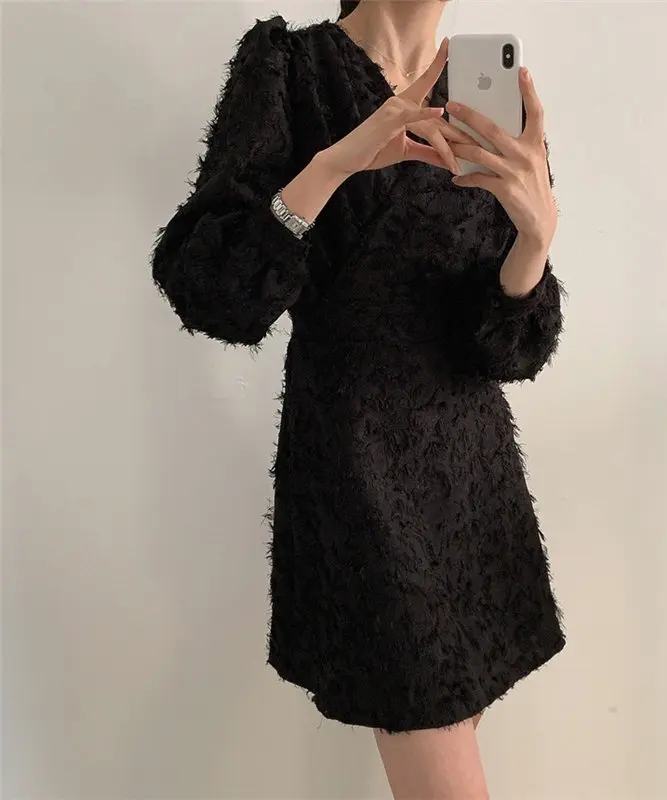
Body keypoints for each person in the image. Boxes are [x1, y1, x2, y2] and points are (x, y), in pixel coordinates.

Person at [151, 0, 566, 796]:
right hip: (358, 466)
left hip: (473, 474)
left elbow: (512, 348)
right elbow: (212, 289)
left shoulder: (482, 91)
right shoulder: (290, 68)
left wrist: (535, 243)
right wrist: (335, 165)